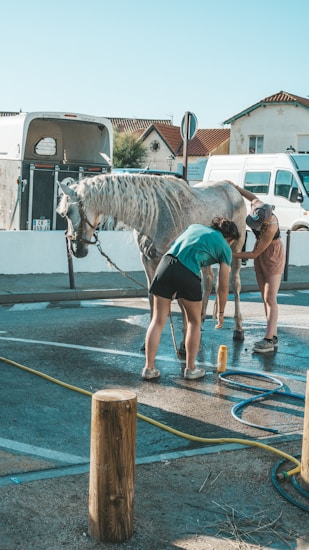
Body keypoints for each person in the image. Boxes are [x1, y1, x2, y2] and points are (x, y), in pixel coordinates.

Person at [142, 218, 240, 381]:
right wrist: (221, 312)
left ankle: (148, 368)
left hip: (166, 264)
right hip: (188, 270)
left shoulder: (194, 226)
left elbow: (169, 246)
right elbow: (222, 286)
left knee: (158, 320)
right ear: (229, 238)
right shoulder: (225, 248)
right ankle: (190, 368)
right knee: (194, 322)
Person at [229, 182, 285, 353]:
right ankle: (272, 335)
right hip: (261, 255)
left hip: (272, 253)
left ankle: (268, 339)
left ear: (266, 219)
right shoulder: (258, 206)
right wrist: (237, 188)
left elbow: (253, 254)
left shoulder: (271, 226)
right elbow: (252, 197)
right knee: (264, 297)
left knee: (270, 297)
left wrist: (229, 253)